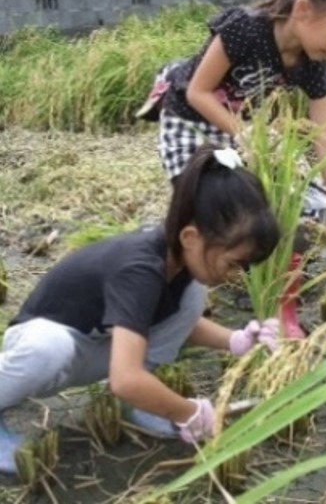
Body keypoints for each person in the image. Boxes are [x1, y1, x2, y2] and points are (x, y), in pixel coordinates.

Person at [150, 0, 326, 339]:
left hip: (244, 130)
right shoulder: (244, 29)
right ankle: (168, 307)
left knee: (303, 208)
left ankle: (282, 309)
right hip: (188, 117)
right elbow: (199, 92)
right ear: (304, 9)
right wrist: (249, 136)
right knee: (203, 211)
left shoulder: (314, 64)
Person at [0, 145, 283, 475]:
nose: (237, 275)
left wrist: (235, 339)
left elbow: (176, 322)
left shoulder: (179, 263)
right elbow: (123, 377)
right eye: (235, 263)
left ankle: (137, 404)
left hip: (91, 346)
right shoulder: (140, 269)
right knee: (48, 349)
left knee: (192, 297)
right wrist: (187, 411)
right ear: (191, 236)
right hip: (42, 344)